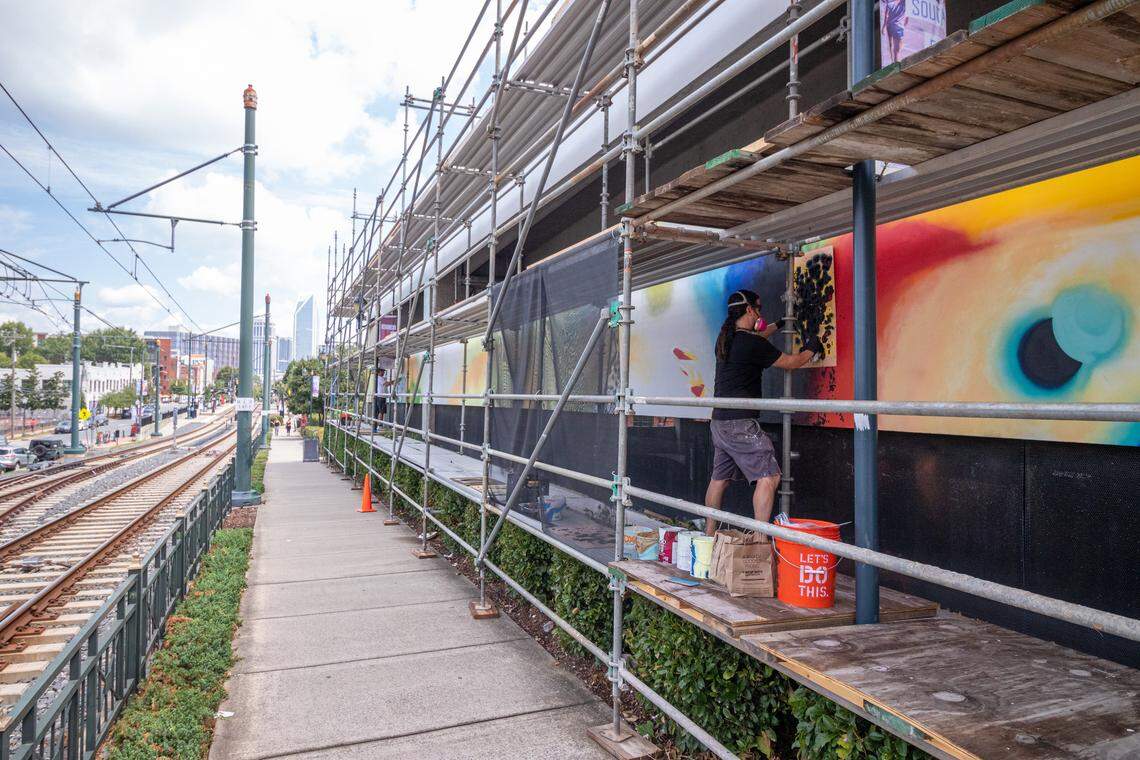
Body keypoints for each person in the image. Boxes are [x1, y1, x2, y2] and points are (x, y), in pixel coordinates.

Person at [705, 289, 821, 535]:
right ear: (750, 310)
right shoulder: (751, 343)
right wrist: (811, 347)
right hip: (740, 423)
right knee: (769, 476)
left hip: (719, 421)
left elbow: (759, 336)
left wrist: (779, 324)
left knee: (719, 479)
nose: (761, 313)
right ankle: (760, 539)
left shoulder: (726, 338)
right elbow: (792, 362)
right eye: (759, 308)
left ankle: (709, 535)